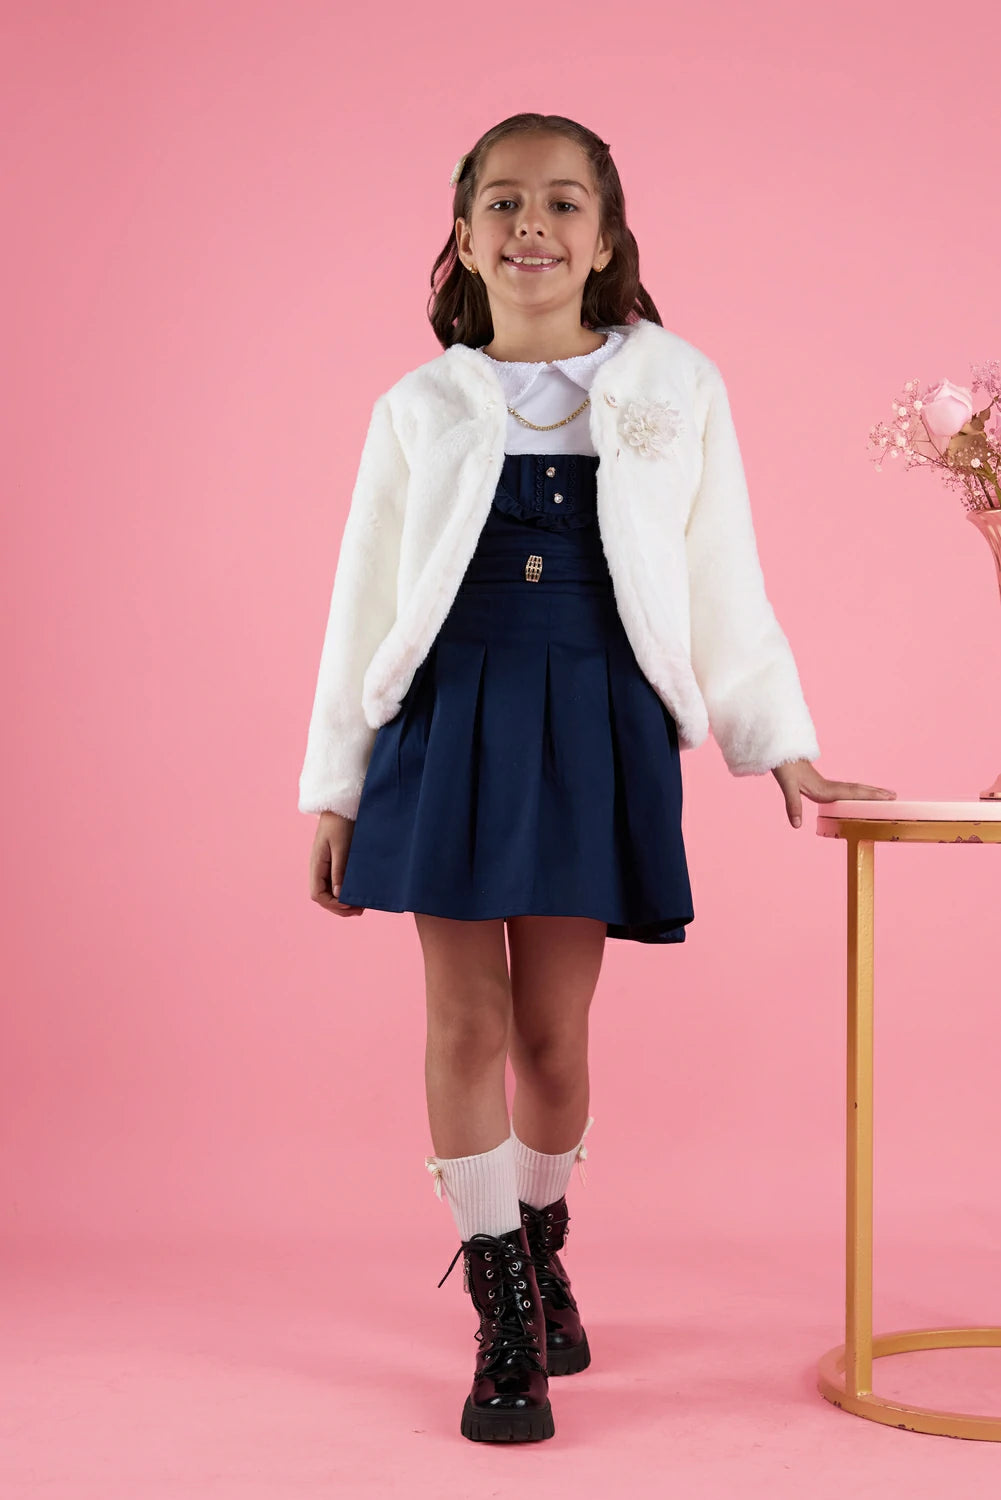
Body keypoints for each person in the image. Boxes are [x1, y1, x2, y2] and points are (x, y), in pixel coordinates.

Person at [298, 112, 897, 1445]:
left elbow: (720, 572)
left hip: (598, 714)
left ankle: (543, 1229)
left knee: (552, 1043)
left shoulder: (678, 384)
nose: (533, 225)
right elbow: (361, 604)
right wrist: (335, 787)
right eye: (504, 203)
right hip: (449, 716)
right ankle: (504, 1313)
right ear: (463, 239)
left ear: (609, 238)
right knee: (463, 1024)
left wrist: (776, 738)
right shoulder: (418, 406)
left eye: (564, 203)